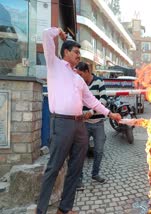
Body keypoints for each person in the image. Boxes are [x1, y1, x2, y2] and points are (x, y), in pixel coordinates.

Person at [36, 27, 121, 214]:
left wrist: (110, 114)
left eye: (79, 53)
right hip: (62, 123)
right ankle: (40, 211)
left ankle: (64, 209)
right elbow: (45, 35)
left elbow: (91, 100)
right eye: (75, 52)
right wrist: (58, 31)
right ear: (65, 52)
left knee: (76, 167)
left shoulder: (78, 78)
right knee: (54, 167)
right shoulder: (54, 64)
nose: (78, 56)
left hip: (79, 125)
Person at [75, 62, 108, 189]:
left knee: (99, 150)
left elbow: (103, 100)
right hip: (84, 124)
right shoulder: (78, 84)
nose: (79, 77)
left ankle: (95, 174)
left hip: (98, 123)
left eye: (81, 74)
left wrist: (91, 112)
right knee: (81, 152)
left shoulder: (99, 81)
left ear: (87, 71)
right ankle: (79, 178)